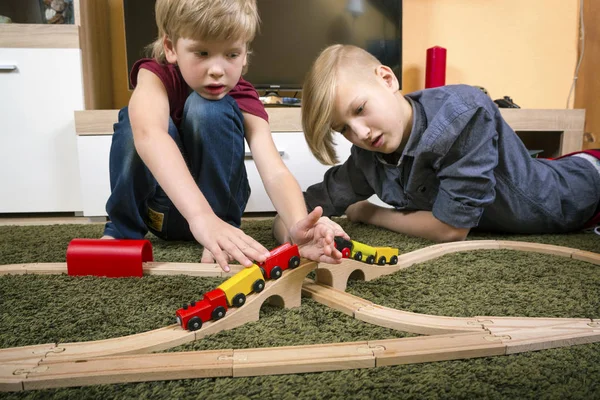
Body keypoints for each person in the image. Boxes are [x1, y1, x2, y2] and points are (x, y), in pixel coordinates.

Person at [103, 0, 346, 272]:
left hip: (219, 214)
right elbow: (150, 135)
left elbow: (274, 171)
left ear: (245, 54)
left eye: (231, 55)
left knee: (208, 108)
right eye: (202, 52)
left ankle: (224, 233)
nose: (217, 70)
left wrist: (299, 224)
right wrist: (200, 217)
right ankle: (120, 232)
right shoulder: (155, 76)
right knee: (133, 120)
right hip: (164, 211)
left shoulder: (242, 94)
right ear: (171, 48)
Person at [274, 44, 600, 244]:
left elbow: (451, 230)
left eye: (359, 109)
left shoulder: (464, 115)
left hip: (580, 193)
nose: (359, 133)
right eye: (343, 128)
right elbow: (296, 211)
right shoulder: (366, 157)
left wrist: (370, 212)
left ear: (387, 79)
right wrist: (300, 234)